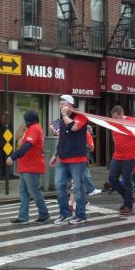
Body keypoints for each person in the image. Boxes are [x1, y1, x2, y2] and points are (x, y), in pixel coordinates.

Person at [50, 95, 89, 225]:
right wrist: (55, 155)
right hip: (63, 159)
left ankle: (80, 215)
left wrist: (65, 116)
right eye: (59, 104)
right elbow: (62, 139)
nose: (60, 106)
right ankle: (65, 213)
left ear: (71, 105)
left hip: (77, 159)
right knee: (59, 185)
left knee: (78, 188)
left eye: (63, 104)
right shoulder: (62, 120)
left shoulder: (81, 116)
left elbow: (74, 127)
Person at [6, 110, 49, 224]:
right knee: (24, 192)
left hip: (32, 167)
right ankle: (23, 216)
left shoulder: (34, 128)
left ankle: (44, 214)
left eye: (25, 120)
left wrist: (13, 157)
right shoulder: (31, 128)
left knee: (34, 191)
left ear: (29, 120)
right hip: (26, 166)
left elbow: (27, 145)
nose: (24, 122)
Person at [109, 105, 135, 216]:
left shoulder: (131, 121)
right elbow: (114, 138)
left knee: (127, 180)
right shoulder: (113, 123)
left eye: (116, 118)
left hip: (129, 157)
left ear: (121, 114)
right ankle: (128, 198)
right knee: (112, 179)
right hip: (117, 156)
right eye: (113, 118)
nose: (115, 120)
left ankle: (128, 205)